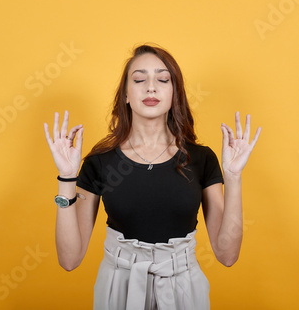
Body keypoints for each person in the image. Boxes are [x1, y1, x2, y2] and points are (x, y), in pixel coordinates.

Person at [43, 44, 261, 310]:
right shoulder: (100, 162)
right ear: (125, 94)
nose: (151, 87)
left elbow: (227, 255)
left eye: (162, 79)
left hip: (184, 290)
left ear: (174, 92)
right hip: (118, 287)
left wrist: (234, 176)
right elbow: (69, 259)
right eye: (139, 79)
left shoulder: (201, 159)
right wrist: (66, 178)